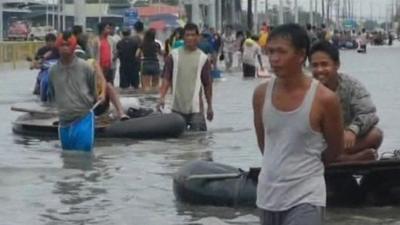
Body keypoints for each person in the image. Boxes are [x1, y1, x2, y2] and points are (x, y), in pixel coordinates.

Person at [253, 24, 344, 225]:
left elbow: (336, 149)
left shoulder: (324, 99)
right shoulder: (261, 95)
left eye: (282, 52)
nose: (274, 59)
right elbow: (265, 144)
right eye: (270, 52)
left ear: (301, 55)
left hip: (306, 196)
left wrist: (308, 165)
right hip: (268, 196)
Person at [309, 41, 382, 161]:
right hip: (317, 143)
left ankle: (337, 158)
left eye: (324, 64)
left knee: (376, 135)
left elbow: (368, 113)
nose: (319, 70)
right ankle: (348, 159)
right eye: (315, 65)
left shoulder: (351, 85)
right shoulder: (306, 88)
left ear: (337, 65)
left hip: (344, 141)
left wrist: (352, 130)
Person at [48, 32, 98, 151]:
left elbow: (93, 90)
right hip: (64, 121)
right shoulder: (53, 71)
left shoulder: (85, 67)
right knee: (67, 159)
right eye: (62, 45)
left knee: (83, 158)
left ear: (74, 46)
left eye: (67, 44)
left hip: (83, 118)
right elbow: (52, 95)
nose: (65, 48)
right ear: (57, 47)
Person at [158, 23, 213, 131]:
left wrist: (210, 106)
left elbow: (207, 84)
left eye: (193, 35)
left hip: (196, 110)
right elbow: (166, 78)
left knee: (199, 141)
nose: (190, 38)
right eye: (187, 35)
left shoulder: (203, 58)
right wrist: (161, 97)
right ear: (183, 37)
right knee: (177, 143)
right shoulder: (173, 56)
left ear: (198, 37)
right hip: (176, 108)